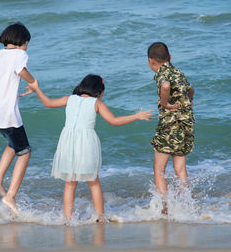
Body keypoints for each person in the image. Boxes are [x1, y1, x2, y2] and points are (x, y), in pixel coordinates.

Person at [24, 75, 153, 222]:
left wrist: (37, 89)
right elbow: (114, 121)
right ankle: (100, 217)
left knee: (70, 182)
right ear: (99, 91)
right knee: (93, 182)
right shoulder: (97, 103)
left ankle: (68, 218)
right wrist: (136, 116)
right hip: (86, 143)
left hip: (67, 142)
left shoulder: (69, 98)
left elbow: (47, 103)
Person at [0, 22, 36, 213]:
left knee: (13, 144)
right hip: (5, 109)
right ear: (22, 41)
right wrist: (34, 82)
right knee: (25, 152)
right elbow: (21, 71)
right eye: (27, 43)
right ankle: (10, 196)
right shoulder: (20, 54)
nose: (27, 47)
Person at [147, 42, 195, 215]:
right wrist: (188, 102)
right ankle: (184, 205)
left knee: (159, 169)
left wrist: (164, 103)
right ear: (170, 57)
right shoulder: (179, 73)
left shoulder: (162, 73)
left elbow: (165, 86)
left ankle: (165, 209)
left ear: (151, 61)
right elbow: (191, 90)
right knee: (180, 168)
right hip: (186, 124)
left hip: (169, 125)